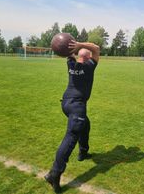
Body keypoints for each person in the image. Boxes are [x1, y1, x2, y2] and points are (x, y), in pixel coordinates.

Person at [45, 41, 100, 193]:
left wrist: (70, 48)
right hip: (77, 106)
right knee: (71, 138)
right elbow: (97, 48)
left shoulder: (71, 65)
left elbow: (68, 53)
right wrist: (79, 44)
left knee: (85, 124)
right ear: (88, 57)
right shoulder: (90, 66)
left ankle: (83, 151)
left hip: (66, 103)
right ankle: (54, 174)